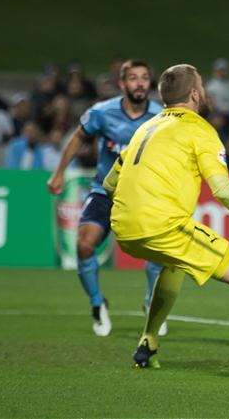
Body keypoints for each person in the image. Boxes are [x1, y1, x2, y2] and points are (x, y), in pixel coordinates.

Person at [105, 64, 229, 376]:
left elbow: (110, 183)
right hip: (162, 225)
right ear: (195, 94)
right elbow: (222, 189)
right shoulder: (199, 130)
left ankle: (147, 344)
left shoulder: (146, 128)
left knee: (174, 265)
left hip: (123, 227)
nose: (205, 94)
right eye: (202, 89)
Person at [46, 60, 164, 337]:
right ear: (122, 84)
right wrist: (59, 172)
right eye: (133, 78)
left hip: (143, 197)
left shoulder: (161, 117)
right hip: (105, 192)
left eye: (145, 78)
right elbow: (78, 137)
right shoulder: (102, 112)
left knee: (159, 252)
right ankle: (98, 304)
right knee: (84, 246)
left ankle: (152, 303)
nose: (139, 83)